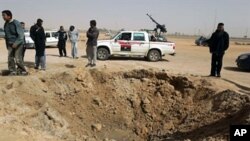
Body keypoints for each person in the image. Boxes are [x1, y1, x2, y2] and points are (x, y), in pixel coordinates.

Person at [2, 10, 28, 75]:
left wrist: (16, 43)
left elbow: (21, 35)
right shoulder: (6, 24)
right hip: (10, 44)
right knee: (10, 58)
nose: (3, 17)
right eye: (2, 15)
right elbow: (7, 36)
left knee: (18, 58)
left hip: (18, 44)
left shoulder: (16, 23)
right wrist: (7, 45)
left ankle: (22, 70)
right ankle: (12, 71)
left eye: (4, 15)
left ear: (9, 16)